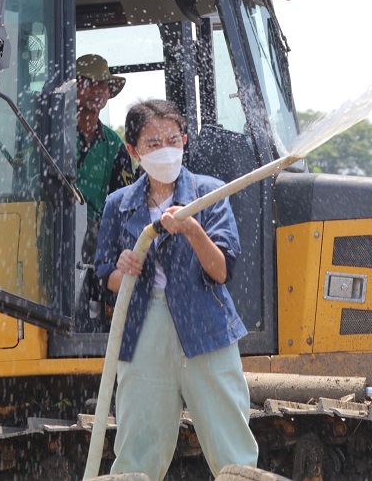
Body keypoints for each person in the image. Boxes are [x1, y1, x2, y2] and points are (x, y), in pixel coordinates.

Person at [94, 99, 259, 480]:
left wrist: (192, 228)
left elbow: (220, 271)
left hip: (205, 324)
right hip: (142, 327)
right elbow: (108, 281)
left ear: (184, 140)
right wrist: (124, 268)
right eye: (152, 143)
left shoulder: (209, 193)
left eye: (172, 138)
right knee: (139, 443)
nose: (165, 149)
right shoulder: (118, 205)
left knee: (229, 438)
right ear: (134, 151)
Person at [75, 53, 135, 259]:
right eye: (89, 82)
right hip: (55, 228)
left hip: (96, 238)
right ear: (73, 87)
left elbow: (124, 202)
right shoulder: (52, 136)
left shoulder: (115, 145)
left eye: (103, 84)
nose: (97, 89)